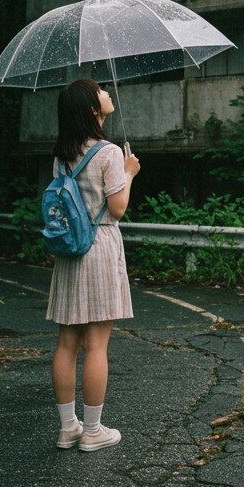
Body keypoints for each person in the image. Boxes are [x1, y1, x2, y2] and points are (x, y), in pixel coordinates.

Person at [47, 78, 140, 452]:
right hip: (99, 246)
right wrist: (130, 172)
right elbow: (117, 210)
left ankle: (68, 427)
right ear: (92, 109)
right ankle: (94, 430)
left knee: (68, 342)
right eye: (101, 91)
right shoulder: (109, 152)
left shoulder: (62, 154)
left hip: (71, 249)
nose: (107, 94)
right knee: (97, 344)